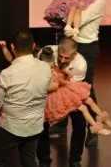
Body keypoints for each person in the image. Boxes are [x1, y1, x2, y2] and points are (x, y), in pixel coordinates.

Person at [0, 31, 51, 167]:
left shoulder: (7, 74)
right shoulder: (45, 67)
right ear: (33, 46)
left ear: (12, 47)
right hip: (35, 125)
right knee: (29, 160)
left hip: (11, 127)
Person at [35, 38, 92, 167]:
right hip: (49, 90)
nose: (62, 60)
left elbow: (72, 88)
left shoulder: (80, 64)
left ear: (75, 54)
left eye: (67, 58)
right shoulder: (46, 52)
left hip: (68, 91)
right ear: (58, 49)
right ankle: (44, 160)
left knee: (80, 122)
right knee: (41, 122)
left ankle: (75, 159)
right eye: (60, 56)